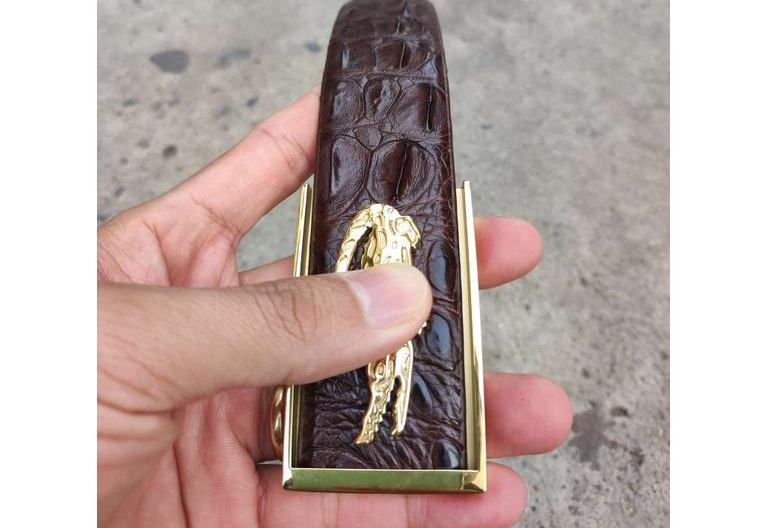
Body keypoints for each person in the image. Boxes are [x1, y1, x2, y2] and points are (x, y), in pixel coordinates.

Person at [98, 89, 572, 527]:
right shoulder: (376, 216)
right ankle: (373, 425)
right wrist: (339, 281)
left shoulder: (405, 223)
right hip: (375, 316)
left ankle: (390, 423)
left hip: (403, 318)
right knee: (385, 368)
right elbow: (352, 242)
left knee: (404, 365)